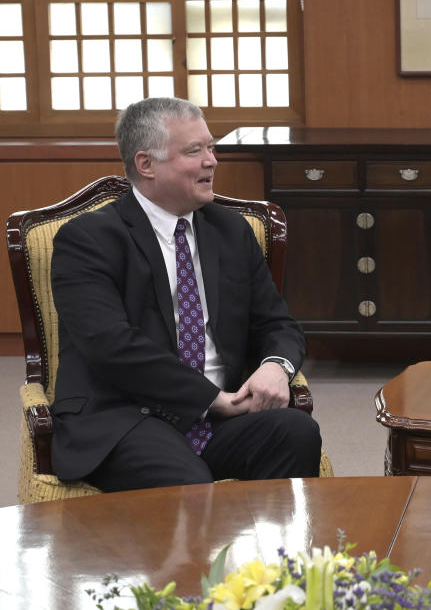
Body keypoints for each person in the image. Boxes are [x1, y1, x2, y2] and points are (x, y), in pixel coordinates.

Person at [49, 97, 322, 492]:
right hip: (127, 416)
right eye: (195, 151)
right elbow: (112, 347)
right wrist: (212, 398)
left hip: (220, 417)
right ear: (146, 165)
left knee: (295, 431)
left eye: (211, 147)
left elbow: (277, 323)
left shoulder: (230, 231)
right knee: (186, 483)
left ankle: (272, 556)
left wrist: (275, 367)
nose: (212, 161)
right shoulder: (87, 240)